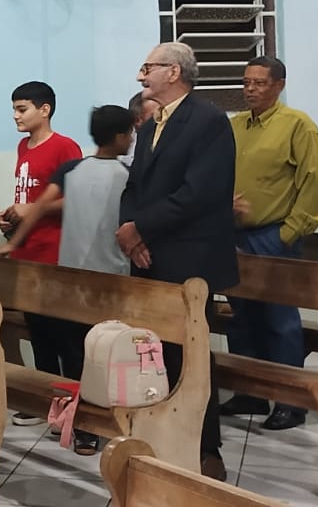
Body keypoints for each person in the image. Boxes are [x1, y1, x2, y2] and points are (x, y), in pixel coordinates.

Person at [116, 42, 236, 481]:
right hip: (151, 255)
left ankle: (206, 447)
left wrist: (140, 228)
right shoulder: (151, 124)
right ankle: (164, 436)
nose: (140, 75)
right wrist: (131, 231)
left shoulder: (208, 121)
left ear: (174, 72)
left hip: (189, 256)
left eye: (148, 67)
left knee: (192, 355)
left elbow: (200, 192)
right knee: (155, 352)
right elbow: (135, 186)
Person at [0, 105, 135, 455]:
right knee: (102, 356)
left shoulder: (72, 169)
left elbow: (38, 207)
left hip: (71, 275)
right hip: (112, 278)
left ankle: (78, 424)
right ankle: (91, 426)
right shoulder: (128, 173)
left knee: (75, 354)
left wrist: (14, 242)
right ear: (121, 136)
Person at [220, 56, 318, 431]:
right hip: (235, 235)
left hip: (274, 234)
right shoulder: (235, 126)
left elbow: (313, 185)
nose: (250, 89)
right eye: (246, 82)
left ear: (279, 85)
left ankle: (290, 401)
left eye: (259, 83)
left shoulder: (298, 125)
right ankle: (249, 391)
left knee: (278, 320)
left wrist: (287, 234)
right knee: (241, 318)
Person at [0, 81, 81, 427]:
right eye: (14, 109)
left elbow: (76, 198)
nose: (16, 116)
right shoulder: (23, 146)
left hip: (54, 252)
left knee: (64, 337)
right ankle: (48, 401)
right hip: (27, 251)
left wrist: (31, 209)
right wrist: (13, 217)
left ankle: (72, 405)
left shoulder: (65, 147)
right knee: (39, 335)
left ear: (44, 110)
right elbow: (28, 198)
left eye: (22, 109)